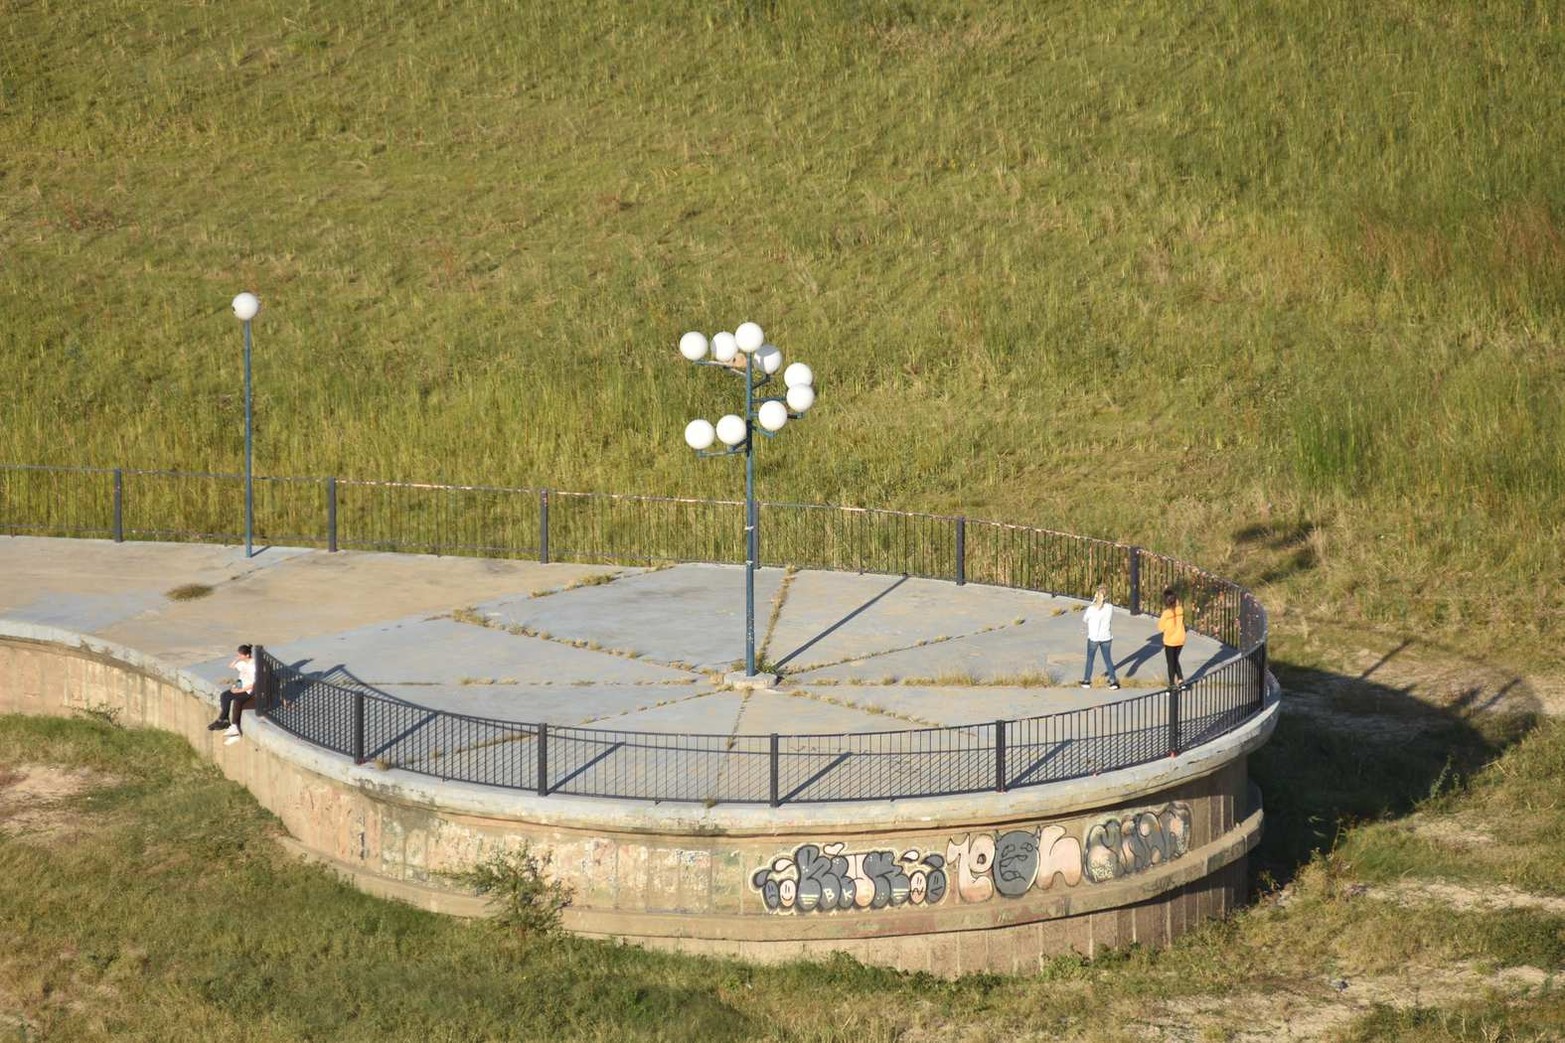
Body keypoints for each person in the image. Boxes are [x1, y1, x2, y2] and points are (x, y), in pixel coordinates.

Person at [207, 644, 256, 746]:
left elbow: (253, 684)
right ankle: (224, 719)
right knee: (224, 695)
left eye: (240, 655)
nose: (239, 656)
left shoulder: (253, 666)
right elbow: (231, 666)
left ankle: (223, 720)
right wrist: (237, 659)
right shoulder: (243, 663)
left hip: (248, 691)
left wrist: (240, 690)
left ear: (247, 655)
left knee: (230, 698)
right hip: (240, 686)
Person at [1079, 585, 1120, 690]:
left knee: (1090, 659)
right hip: (1106, 637)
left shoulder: (1091, 609)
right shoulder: (1110, 607)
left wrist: (1093, 602)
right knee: (1108, 660)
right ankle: (1113, 681)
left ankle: (1087, 681)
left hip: (1094, 638)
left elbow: (1085, 619)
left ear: (1096, 595)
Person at [1158, 588, 1186, 691]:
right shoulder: (1180, 610)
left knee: (1171, 662)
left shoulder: (1166, 613)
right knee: (1175, 660)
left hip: (1170, 641)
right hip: (1181, 639)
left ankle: (1171, 683)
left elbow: (1160, 627)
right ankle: (1181, 680)